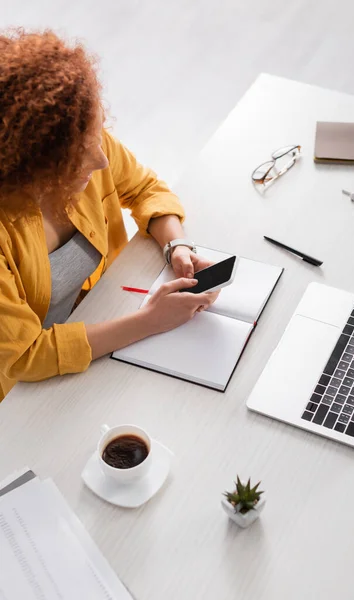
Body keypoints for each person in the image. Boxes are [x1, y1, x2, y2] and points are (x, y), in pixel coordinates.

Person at [0, 29, 218, 402]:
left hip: (106, 318)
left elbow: (145, 188)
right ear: (31, 166)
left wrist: (176, 245)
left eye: (97, 134)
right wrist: (149, 321)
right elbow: (25, 356)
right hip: (32, 393)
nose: (100, 158)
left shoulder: (81, 135)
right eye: (82, 152)